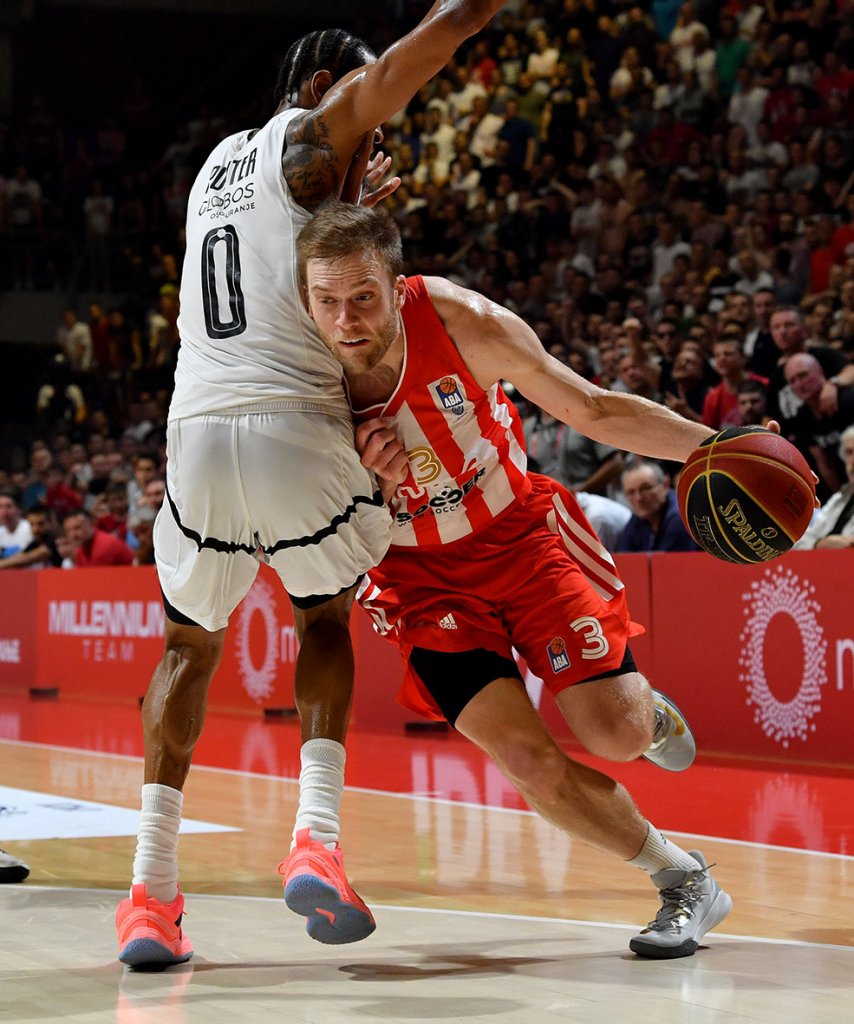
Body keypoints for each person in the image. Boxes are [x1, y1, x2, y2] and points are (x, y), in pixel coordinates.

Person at [115, 1, 508, 971]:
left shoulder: (214, 167)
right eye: (359, 115)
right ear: (320, 88)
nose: (370, 135)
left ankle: (149, 898)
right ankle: (316, 840)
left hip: (195, 433)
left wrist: (357, 204)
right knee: (323, 621)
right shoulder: (308, 136)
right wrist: (467, 15)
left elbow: (279, 263)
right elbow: (410, 62)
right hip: (291, 425)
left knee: (186, 649)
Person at [296, 202, 733, 960]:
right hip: (417, 579)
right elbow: (304, 518)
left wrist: (719, 447)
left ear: (397, 286)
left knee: (617, 734)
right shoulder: (292, 374)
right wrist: (363, 486)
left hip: (521, 541)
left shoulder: (467, 324)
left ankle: (645, 715)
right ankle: (684, 878)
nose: (345, 320)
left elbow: (591, 408)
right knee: (526, 760)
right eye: (326, 301)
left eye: (363, 297)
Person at [793, 426, 854, 550]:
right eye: (849, 452)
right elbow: (798, 540)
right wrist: (819, 544)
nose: (853, 461)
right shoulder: (838, 498)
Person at [617, 461, 699, 553]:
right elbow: (624, 557)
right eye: (631, 492)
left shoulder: (680, 518)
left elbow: (671, 561)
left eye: (645, 488)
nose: (638, 498)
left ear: (665, 484)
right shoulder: (638, 518)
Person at [63, 509, 134, 566]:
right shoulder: (81, 551)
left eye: (77, 528)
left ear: (91, 525)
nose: (73, 535)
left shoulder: (105, 546)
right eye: (68, 531)